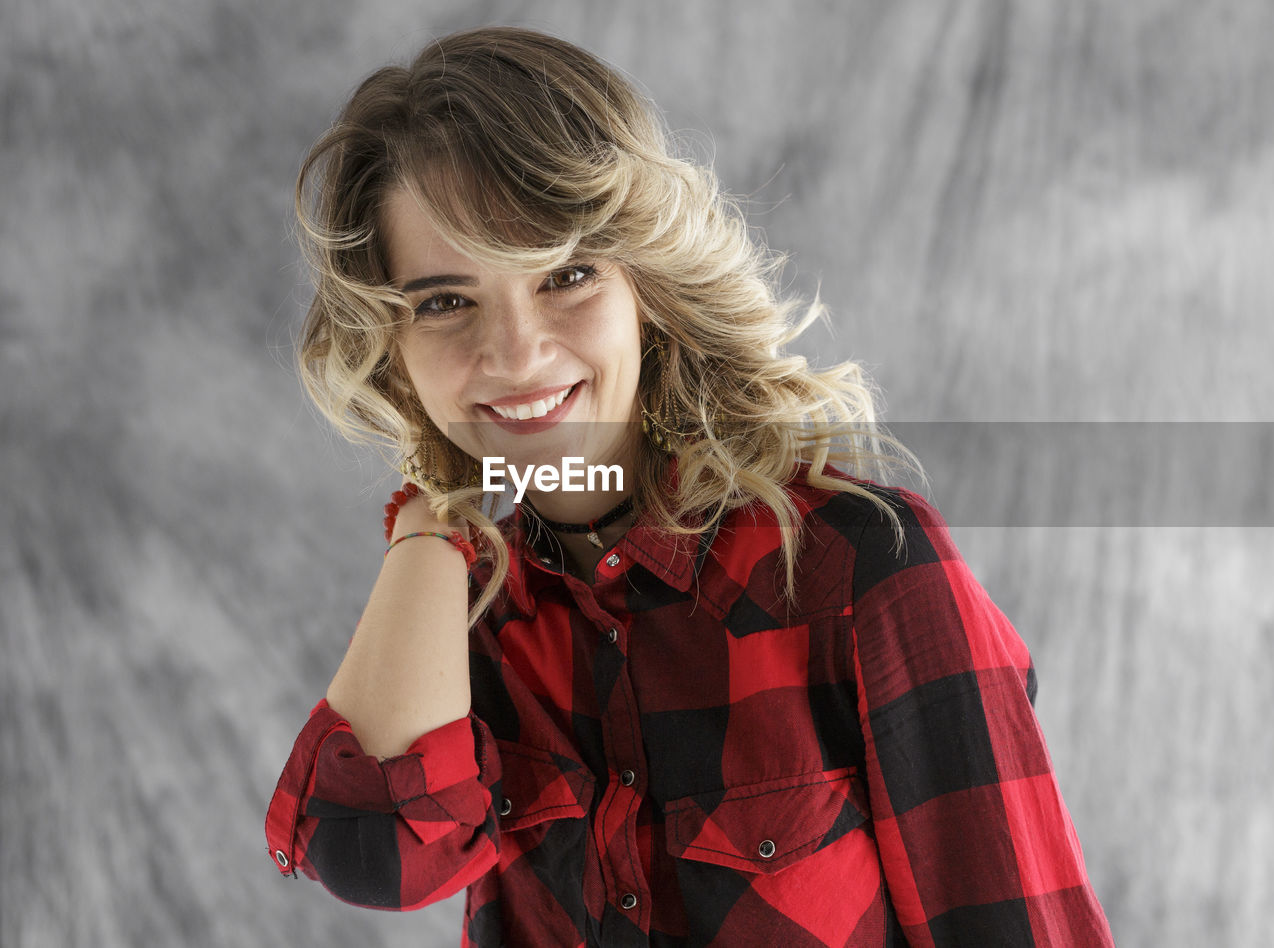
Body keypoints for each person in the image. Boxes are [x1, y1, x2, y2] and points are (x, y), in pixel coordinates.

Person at [265, 26, 1114, 947]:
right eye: (443, 301)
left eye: (567, 275)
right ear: (391, 348)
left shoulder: (856, 565)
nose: (514, 354)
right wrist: (429, 521)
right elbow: (376, 857)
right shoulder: (462, 615)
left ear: (649, 292)